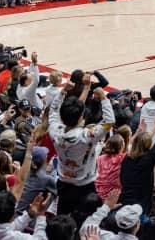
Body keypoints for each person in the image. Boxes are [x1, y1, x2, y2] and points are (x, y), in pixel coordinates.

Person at [48, 84, 115, 215]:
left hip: (63, 182)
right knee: (85, 219)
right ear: (81, 118)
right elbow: (110, 121)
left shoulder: (54, 130)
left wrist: (62, 92)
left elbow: (53, 111)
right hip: (85, 185)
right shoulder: (87, 136)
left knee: (62, 216)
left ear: (62, 118)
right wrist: (103, 98)